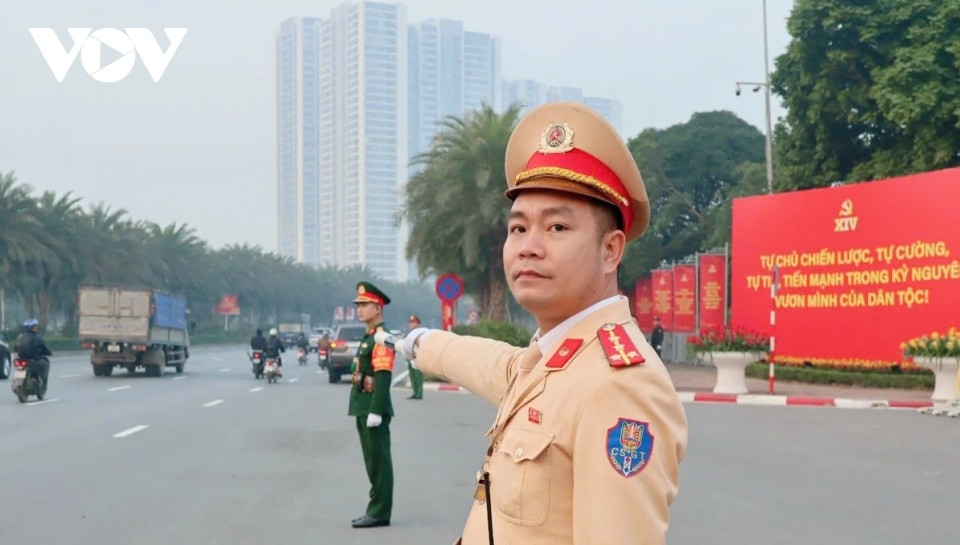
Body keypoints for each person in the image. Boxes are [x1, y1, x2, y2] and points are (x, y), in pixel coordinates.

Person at [382, 102, 688, 544]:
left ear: (610, 250)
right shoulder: (553, 359)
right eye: (518, 229)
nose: (528, 247)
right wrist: (421, 342)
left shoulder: (620, 385)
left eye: (557, 228)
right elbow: (495, 365)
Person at [348, 281, 395, 529]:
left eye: (365, 304)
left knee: (379, 462)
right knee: (371, 462)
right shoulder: (369, 336)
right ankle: (375, 508)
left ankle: (379, 511)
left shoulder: (381, 337)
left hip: (372, 408)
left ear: (378, 308)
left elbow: (384, 375)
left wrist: (376, 410)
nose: (360, 309)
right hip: (362, 405)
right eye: (358, 304)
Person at [15, 318, 53, 395]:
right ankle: (43, 387)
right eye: (35, 326)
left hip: (20, 360)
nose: (36, 328)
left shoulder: (20, 337)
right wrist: (50, 353)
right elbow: (45, 349)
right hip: (33, 361)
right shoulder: (38, 338)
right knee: (46, 365)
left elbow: (15, 348)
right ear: (33, 328)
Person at [405, 315, 424, 400]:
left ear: (418, 323)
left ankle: (419, 393)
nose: (412, 324)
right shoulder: (409, 334)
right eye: (410, 322)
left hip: (418, 357)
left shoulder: (421, 333)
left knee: (418, 376)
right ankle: (414, 392)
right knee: (412, 376)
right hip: (410, 356)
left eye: (413, 322)